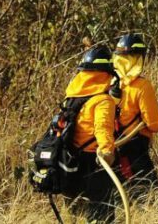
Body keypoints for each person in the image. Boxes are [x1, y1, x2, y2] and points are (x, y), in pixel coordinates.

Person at [112, 32, 158, 202]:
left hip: (110, 153)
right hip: (135, 152)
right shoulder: (141, 86)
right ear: (139, 58)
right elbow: (154, 124)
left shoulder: (108, 82)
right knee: (152, 202)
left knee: (118, 203)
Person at [64, 44, 118, 224]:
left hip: (70, 161)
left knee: (76, 213)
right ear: (106, 73)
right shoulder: (102, 101)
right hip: (94, 162)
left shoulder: (72, 97)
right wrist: (107, 152)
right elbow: (102, 128)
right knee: (102, 215)